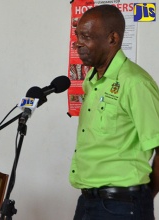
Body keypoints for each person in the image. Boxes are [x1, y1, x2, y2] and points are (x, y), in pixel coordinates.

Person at [70, 4, 159, 220]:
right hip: (88, 201)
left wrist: (144, 196)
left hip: (122, 206)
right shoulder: (93, 81)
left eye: (86, 36)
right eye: (77, 36)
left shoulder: (135, 83)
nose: (78, 43)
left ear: (112, 39)